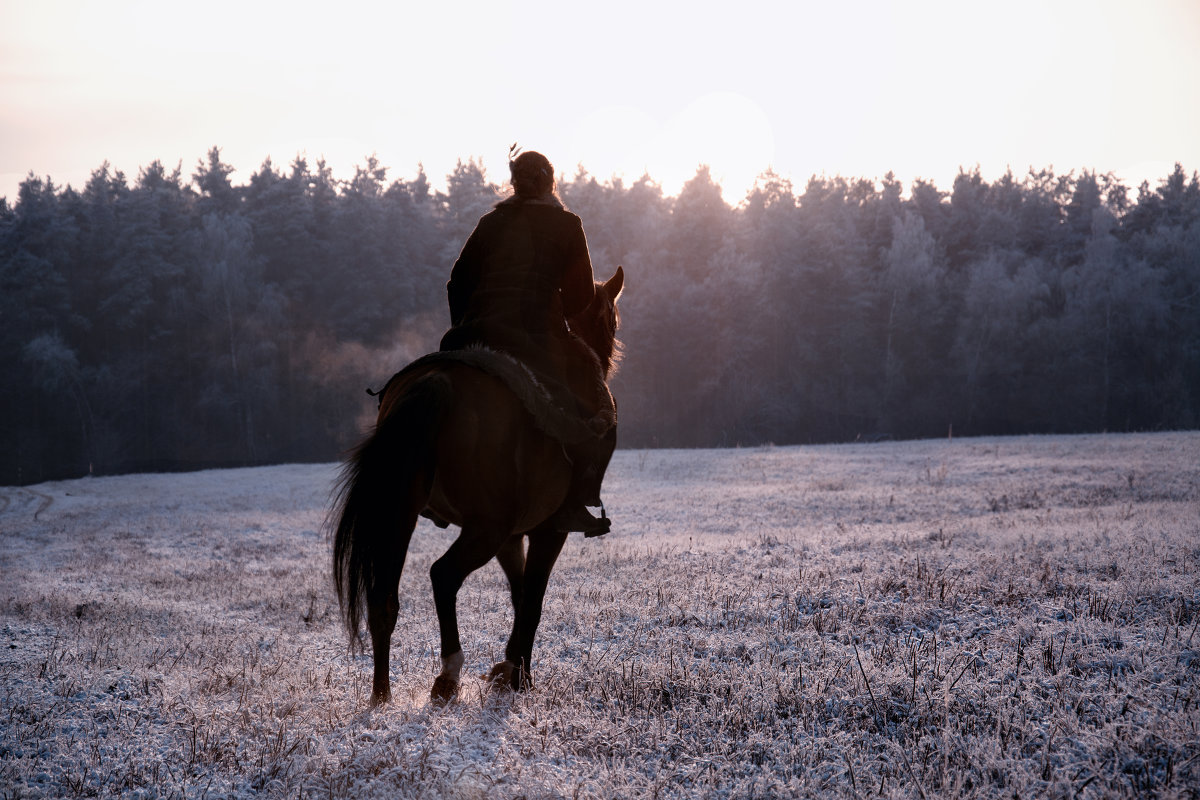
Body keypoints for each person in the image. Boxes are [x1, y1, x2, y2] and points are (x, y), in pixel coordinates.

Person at [439, 148, 613, 536]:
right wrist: (558, 315)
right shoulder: (568, 225)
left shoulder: (490, 223)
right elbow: (582, 296)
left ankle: (432, 493)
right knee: (591, 409)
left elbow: (457, 282)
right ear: (551, 182)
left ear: (513, 185)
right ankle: (575, 502)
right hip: (534, 337)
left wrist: (465, 331)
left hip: (473, 334)